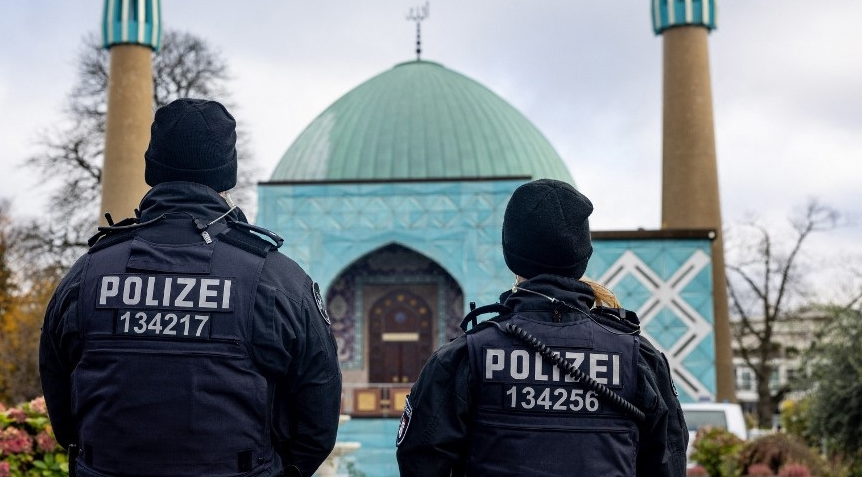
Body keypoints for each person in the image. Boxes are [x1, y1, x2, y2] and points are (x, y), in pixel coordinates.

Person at [40, 98, 342, 477]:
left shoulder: (87, 275)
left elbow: (64, 417)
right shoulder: (276, 280)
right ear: (226, 176)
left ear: (153, 167)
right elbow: (316, 424)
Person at [395, 179, 688, 477]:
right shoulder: (638, 358)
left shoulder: (464, 357)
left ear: (511, 253)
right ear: (581, 256)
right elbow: (668, 462)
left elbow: (420, 462)